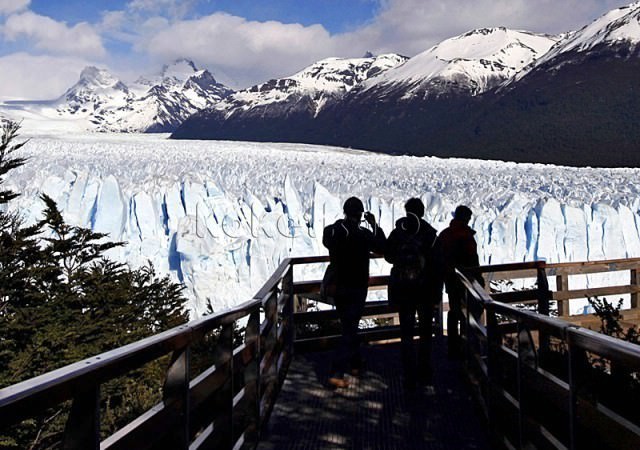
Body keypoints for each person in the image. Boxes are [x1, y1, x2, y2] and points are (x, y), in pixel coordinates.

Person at [322, 196, 386, 388]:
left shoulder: (332, 231)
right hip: (357, 287)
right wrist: (375, 225)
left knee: (348, 324)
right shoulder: (363, 235)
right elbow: (382, 247)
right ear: (360, 215)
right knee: (350, 327)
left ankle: (355, 364)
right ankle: (336, 371)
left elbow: (328, 240)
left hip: (338, 286)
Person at [385, 198, 438, 391]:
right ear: (423, 212)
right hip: (425, 292)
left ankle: (409, 377)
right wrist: (436, 293)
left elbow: (388, 256)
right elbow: (436, 264)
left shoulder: (398, 232)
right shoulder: (430, 234)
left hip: (404, 291)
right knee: (425, 334)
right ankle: (425, 376)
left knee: (406, 334)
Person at [434, 205, 483, 358]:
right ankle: (467, 345)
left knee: (455, 311)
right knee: (468, 313)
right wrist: (478, 278)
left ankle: (453, 346)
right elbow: (473, 260)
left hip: (450, 281)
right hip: (467, 281)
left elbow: (439, 258)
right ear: (465, 218)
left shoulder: (445, 235)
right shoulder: (466, 236)